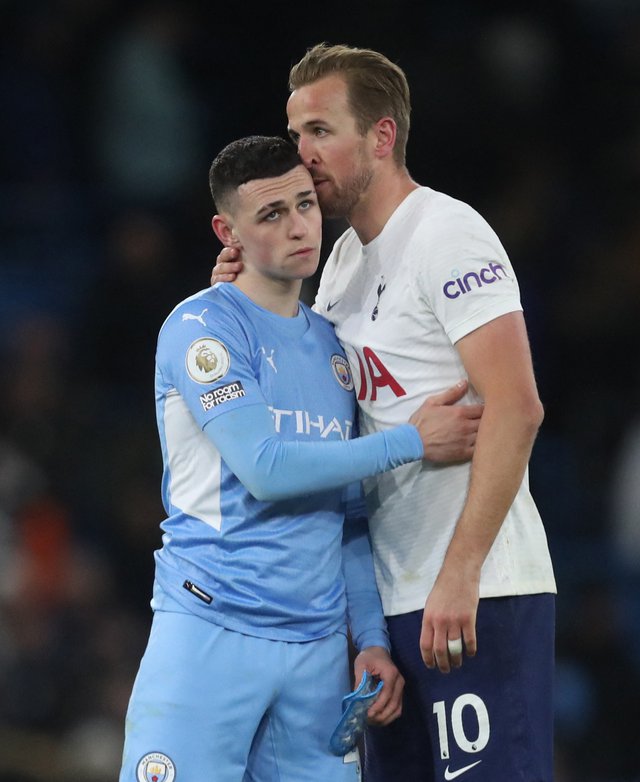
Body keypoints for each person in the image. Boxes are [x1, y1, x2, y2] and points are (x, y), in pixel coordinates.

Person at [212, 44, 557, 782]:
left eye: (319, 131)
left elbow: (517, 406)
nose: (301, 155)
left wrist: (459, 575)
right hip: (392, 608)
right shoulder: (338, 265)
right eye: (296, 132)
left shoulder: (447, 233)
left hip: (477, 594)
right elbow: (308, 403)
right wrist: (237, 288)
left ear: (380, 136)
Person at [119, 135, 482, 782]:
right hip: (210, 634)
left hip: (316, 657)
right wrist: (412, 441)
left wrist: (369, 639)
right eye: (271, 215)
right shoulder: (203, 328)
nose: (298, 228)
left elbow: (346, 516)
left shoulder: (336, 352)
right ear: (225, 230)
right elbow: (266, 470)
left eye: (305, 205)